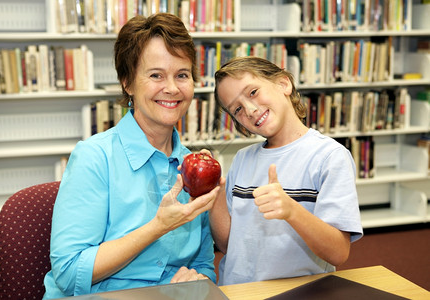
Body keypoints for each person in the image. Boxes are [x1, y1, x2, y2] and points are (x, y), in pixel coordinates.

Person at [43, 13, 220, 299]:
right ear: (128, 83)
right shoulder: (94, 157)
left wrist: (195, 280)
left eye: (182, 75)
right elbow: (68, 272)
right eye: (155, 75)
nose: (172, 88)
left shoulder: (194, 165)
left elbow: (203, 264)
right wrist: (158, 227)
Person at [209, 56, 363, 286]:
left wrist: (291, 210)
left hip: (297, 293)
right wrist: (214, 192)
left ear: (283, 84)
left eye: (252, 92)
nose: (250, 110)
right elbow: (229, 245)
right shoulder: (242, 159)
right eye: (237, 109)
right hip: (238, 291)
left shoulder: (329, 157)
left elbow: (338, 252)